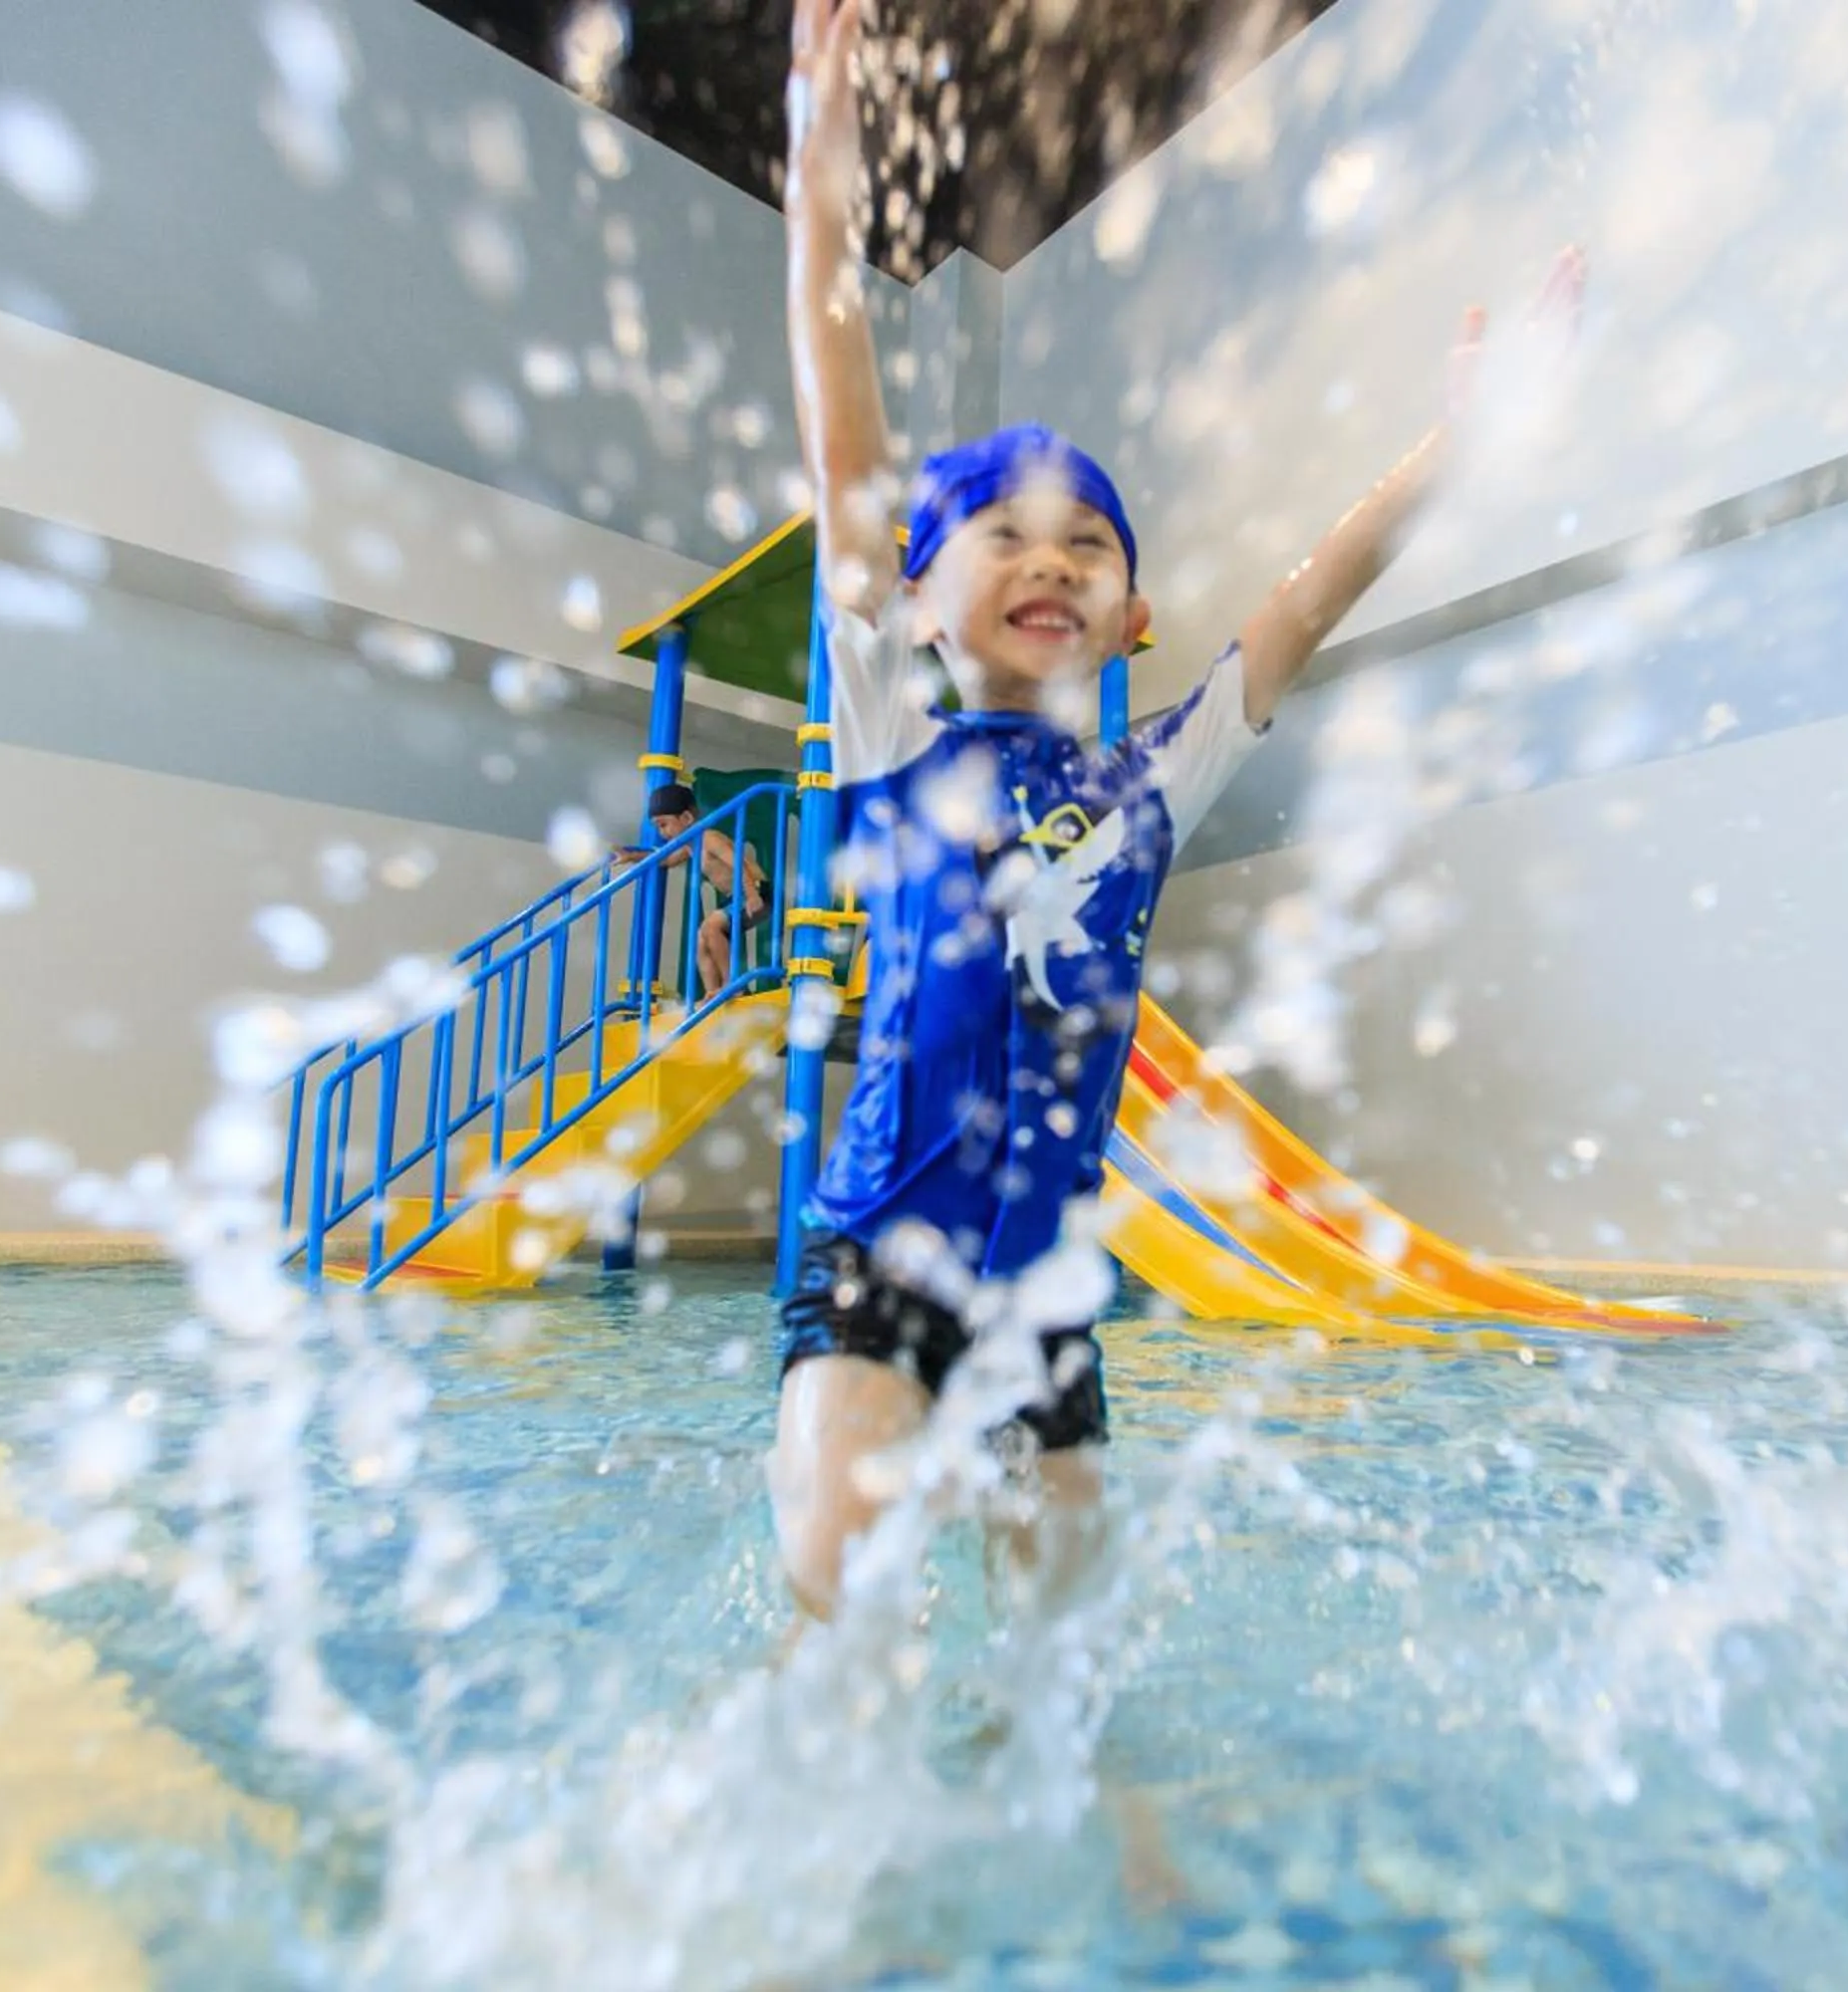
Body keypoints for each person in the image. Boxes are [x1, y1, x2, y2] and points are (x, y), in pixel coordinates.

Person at [771, 0, 1583, 1620]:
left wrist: (1451, 448)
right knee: (832, 1600)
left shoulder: (1153, 787)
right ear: (917, 599)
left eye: (1089, 542)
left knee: (1064, 1653)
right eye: (1000, 534)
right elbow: (846, 437)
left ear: (1134, 614)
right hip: (879, 1262)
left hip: (1050, 1305)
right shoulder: (892, 741)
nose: (1051, 559)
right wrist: (821, 186)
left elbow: (1304, 606)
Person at [645, 781, 771, 1000]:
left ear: (686, 818)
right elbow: (665, 860)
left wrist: (751, 894)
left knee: (710, 927)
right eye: (657, 826)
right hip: (735, 898)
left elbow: (737, 862)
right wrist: (631, 856)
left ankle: (734, 984)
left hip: (756, 891)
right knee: (701, 938)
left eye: (663, 824)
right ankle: (712, 991)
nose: (661, 832)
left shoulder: (709, 838)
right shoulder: (690, 845)